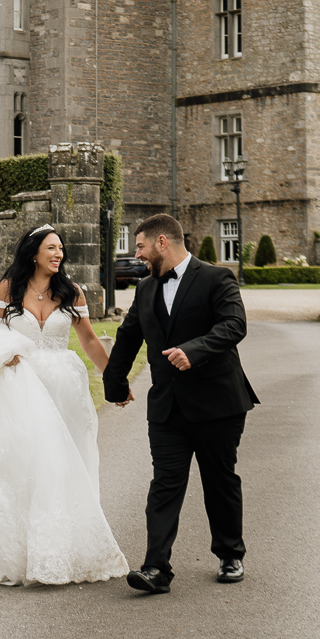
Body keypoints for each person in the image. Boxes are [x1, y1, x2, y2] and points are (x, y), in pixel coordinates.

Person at [0, 225, 129, 586]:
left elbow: (88, 341)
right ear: (33, 252)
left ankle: (59, 548)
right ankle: (18, 548)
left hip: (64, 391)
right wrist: (2, 353)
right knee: (22, 464)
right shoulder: (7, 290)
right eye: (51, 248)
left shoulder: (70, 292)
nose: (58, 254)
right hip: (17, 390)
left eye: (61, 249)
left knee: (63, 467)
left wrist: (114, 382)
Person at [103, 212, 257, 594]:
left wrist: (194, 350)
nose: (136, 254)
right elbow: (127, 338)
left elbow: (234, 325)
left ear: (161, 243)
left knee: (219, 481)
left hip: (217, 403)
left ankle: (230, 554)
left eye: (139, 246)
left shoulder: (217, 278)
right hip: (168, 407)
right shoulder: (145, 289)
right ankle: (155, 568)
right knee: (165, 485)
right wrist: (115, 384)